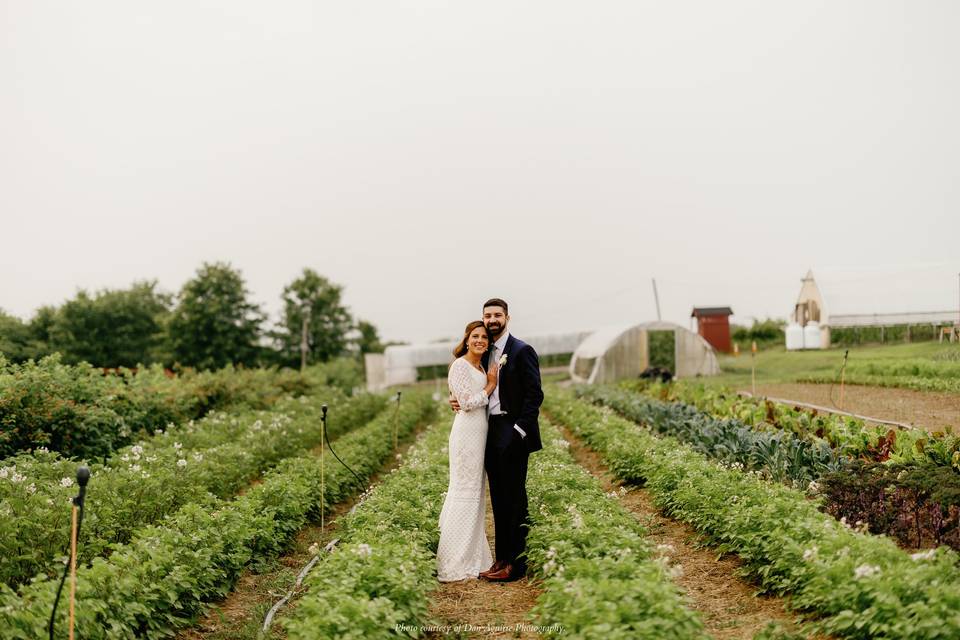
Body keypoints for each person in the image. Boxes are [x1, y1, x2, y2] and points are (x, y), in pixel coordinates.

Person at [450, 298, 544, 582]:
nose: (492, 320)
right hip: (489, 430)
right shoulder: (487, 352)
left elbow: (534, 396)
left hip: (512, 430)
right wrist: (456, 400)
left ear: (507, 318)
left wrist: (519, 431)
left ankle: (516, 564)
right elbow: (469, 384)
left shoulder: (521, 350)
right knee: (499, 500)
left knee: (515, 499)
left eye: (497, 315)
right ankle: (502, 559)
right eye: (487, 315)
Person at [436, 320, 498, 582]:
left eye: (484, 337)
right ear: (467, 338)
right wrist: (490, 385)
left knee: (475, 491)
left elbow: (465, 400)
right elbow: (467, 403)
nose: (480, 340)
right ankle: (454, 557)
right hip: (465, 435)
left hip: (479, 434)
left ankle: (474, 553)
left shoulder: (480, 365)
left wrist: (486, 382)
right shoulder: (460, 364)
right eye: (475, 336)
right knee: (464, 489)